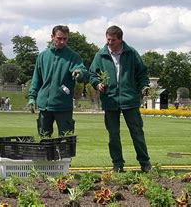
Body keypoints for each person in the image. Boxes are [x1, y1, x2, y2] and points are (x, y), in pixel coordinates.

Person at [89, 25, 151, 173]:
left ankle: (145, 162)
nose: (109, 42)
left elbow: (142, 73)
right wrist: (98, 84)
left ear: (120, 39)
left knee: (137, 132)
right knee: (113, 134)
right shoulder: (100, 55)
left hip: (129, 99)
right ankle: (117, 164)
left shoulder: (132, 53)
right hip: (110, 100)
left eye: (112, 40)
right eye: (108, 39)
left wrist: (144, 86)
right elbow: (92, 74)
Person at [27, 25, 87, 137]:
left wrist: (79, 73)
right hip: (44, 106)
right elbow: (36, 79)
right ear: (52, 37)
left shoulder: (73, 56)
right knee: (44, 140)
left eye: (65, 38)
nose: (62, 41)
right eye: (59, 38)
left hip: (63, 105)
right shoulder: (42, 56)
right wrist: (31, 97)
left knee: (66, 142)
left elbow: (81, 69)